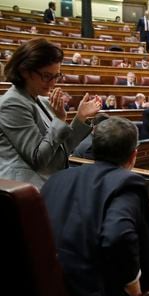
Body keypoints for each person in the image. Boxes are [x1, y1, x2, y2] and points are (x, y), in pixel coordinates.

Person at [41, 117, 149, 296]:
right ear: (134, 155)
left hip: (53, 292)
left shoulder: (56, 179)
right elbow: (117, 237)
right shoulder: (125, 182)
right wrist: (132, 284)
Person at [0, 38, 101, 189]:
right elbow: (38, 158)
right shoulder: (12, 103)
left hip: (47, 185)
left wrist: (80, 117)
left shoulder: (41, 100)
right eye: (47, 76)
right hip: (24, 192)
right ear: (24, 71)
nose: (53, 83)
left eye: (56, 76)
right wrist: (59, 120)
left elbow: (61, 149)